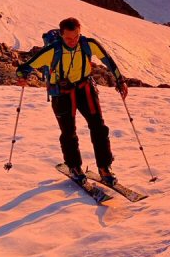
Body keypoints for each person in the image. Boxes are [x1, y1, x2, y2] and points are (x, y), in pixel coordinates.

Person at [16, 17, 128, 186]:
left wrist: (120, 80)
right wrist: (21, 77)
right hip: (62, 94)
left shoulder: (88, 44)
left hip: (85, 89)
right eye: (68, 38)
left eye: (76, 36)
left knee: (99, 127)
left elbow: (108, 60)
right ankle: (74, 167)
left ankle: (104, 167)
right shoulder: (52, 51)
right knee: (68, 132)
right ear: (61, 35)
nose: (73, 41)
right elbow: (24, 68)